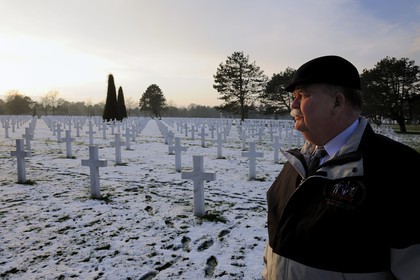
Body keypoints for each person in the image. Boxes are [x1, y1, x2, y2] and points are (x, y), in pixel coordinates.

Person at [263, 55, 420, 279]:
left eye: (303, 95)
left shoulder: (400, 170)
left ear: (337, 102)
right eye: (294, 96)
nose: (293, 104)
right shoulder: (297, 164)